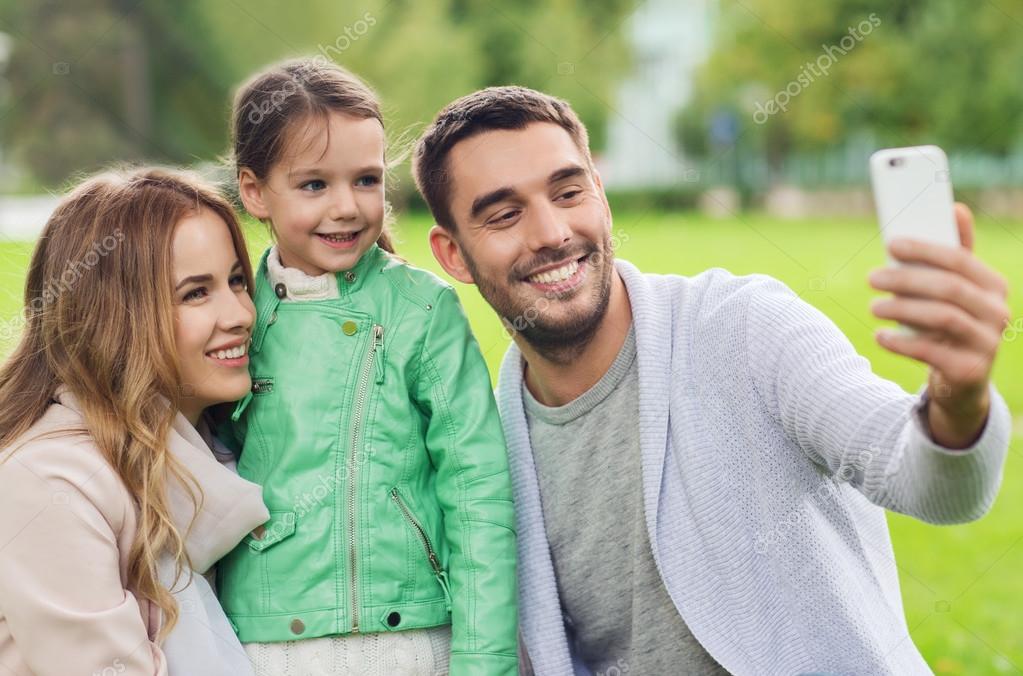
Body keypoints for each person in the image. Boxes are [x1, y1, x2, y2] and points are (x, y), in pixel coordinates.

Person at [414, 86, 1012, 675]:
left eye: (568, 192)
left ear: (601, 195)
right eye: (504, 215)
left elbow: (926, 481)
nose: (550, 232)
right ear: (454, 256)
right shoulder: (485, 453)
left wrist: (958, 401)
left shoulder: (746, 326)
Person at [216, 59, 518, 676]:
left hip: (414, 641)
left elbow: (476, 488)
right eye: (313, 185)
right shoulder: (235, 312)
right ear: (254, 191)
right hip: (265, 644)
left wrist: (485, 661)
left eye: (365, 180)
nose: (347, 207)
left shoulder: (423, 309)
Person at [0, 168, 270, 675]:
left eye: (236, 280)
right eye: (196, 293)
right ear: (115, 317)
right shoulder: (50, 482)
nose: (239, 313)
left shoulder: (221, 454)